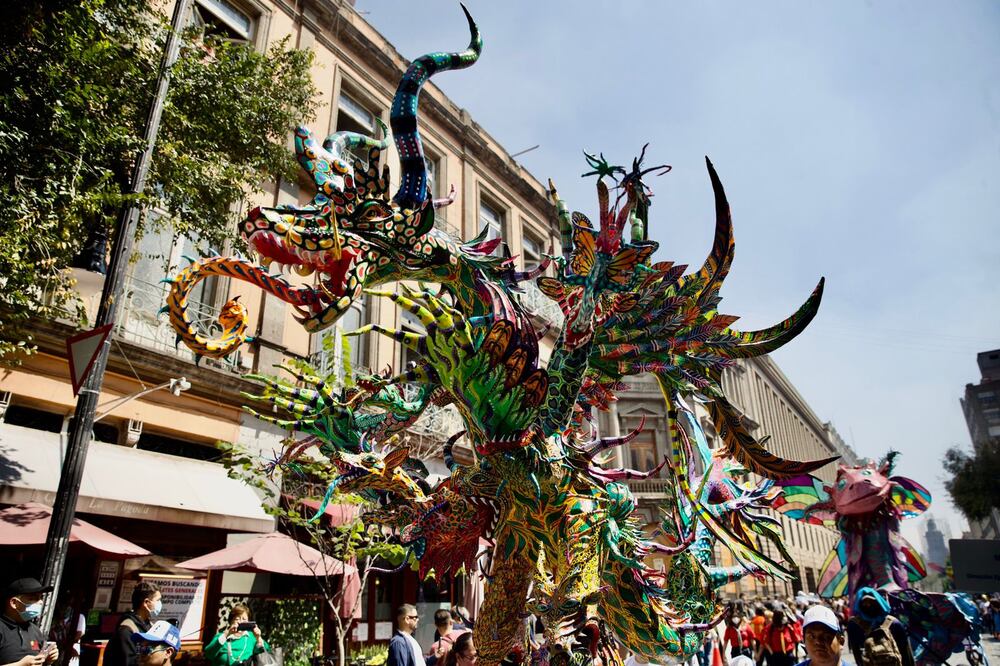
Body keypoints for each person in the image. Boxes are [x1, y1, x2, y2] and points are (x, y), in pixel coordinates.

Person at [0, 578, 60, 666]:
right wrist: (20, 664)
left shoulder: (35, 630)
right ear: (14, 603)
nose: (40, 602)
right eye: (33, 598)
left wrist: (49, 660)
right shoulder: (2, 628)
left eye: (40, 598)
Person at [845, 588, 913, 666]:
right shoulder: (854, 625)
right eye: (865, 603)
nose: (868, 605)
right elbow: (857, 653)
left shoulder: (894, 624)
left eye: (871, 601)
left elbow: (906, 654)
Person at [105, 582, 160, 666]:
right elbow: (128, 662)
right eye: (158, 600)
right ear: (146, 602)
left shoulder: (150, 626)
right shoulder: (126, 630)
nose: (160, 604)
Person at [204, 604, 270, 666]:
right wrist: (227, 633)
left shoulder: (251, 637)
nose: (240, 621)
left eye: (244, 619)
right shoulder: (221, 637)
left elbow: (265, 652)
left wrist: (258, 637)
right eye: (237, 619)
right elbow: (208, 654)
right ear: (231, 621)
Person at [49, 591, 85, 666]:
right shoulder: (54, 617)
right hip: (55, 648)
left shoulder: (78, 616)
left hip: (70, 649)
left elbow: (78, 634)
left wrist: (68, 646)